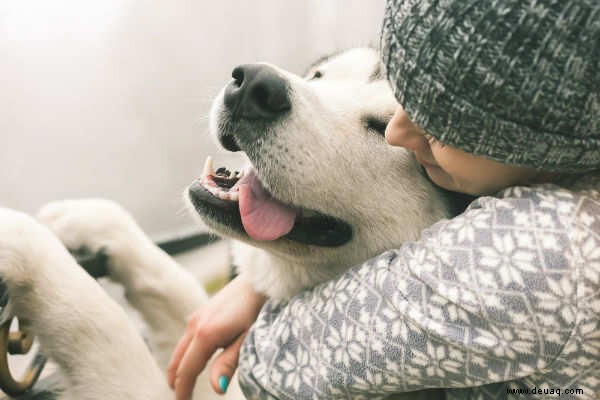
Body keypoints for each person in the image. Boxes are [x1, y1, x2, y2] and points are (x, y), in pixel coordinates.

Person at [168, 0, 600, 399]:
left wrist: (269, 293)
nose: (400, 132)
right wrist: (260, 282)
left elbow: (270, 368)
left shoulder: (543, 255)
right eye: (320, 75)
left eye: (439, 122)